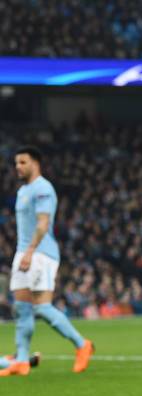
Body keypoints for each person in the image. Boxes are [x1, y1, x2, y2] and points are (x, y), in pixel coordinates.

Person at [0, 146, 94, 377]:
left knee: (40, 307)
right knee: (23, 307)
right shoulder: (23, 191)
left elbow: (43, 223)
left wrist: (30, 251)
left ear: (35, 163)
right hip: (26, 252)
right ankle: (21, 361)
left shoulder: (43, 189)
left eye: (23, 162)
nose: (18, 167)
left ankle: (82, 345)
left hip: (39, 253)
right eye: (16, 163)